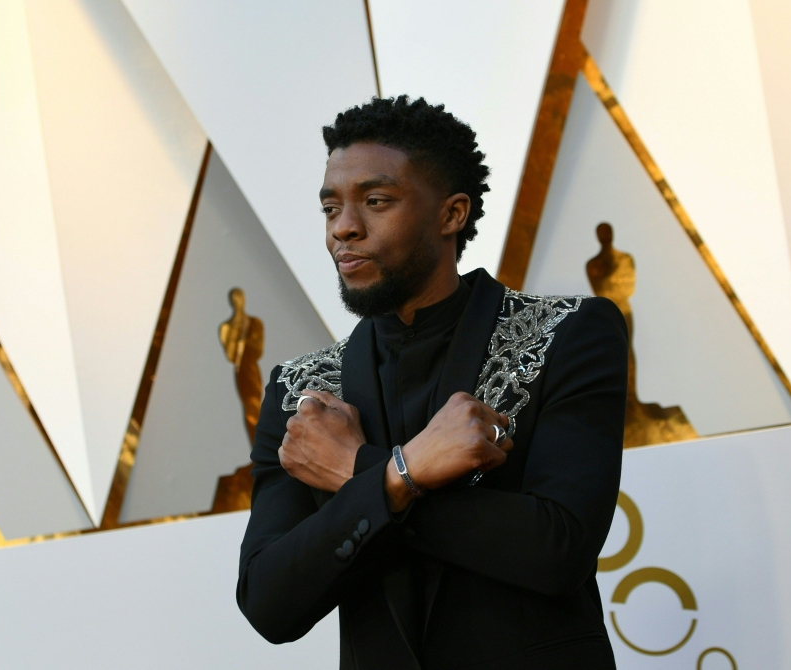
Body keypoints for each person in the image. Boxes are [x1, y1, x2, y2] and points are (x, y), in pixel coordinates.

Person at [236, 96, 628, 669]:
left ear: (451, 214)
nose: (344, 227)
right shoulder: (305, 394)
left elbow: (559, 550)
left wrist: (363, 472)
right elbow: (270, 603)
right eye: (330, 209)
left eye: (376, 201)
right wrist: (403, 472)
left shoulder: (566, 335)